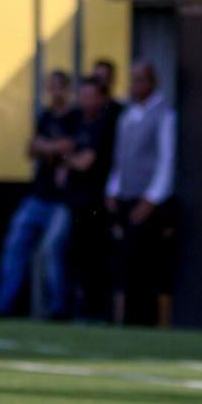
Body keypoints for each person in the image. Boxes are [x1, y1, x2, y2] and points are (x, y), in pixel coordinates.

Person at [0, 70, 78, 319]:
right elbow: (31, 148)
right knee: (15, 243)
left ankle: (57, 308)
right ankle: (2, 303)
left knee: (51, 250)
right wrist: (50, 149)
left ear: (67, 90)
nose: (54, 92)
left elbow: (67, 148)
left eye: (59, 87)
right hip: (38, 195)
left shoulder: (75, 118)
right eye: (51, 87)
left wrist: (47, 148)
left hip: (61, 201)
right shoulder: (45, 116)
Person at [104, 62, 177, 327]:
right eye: (133, 80)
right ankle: (128, 319)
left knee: (147, 262)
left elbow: (166, 159)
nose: (135, 86)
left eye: (140, 80)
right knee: (127, 261)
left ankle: (147, 320)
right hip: (126, 194)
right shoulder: (128, 114)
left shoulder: (164, 114)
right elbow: (120, 157)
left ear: (152, 82)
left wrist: (152, 199)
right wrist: (113, 188)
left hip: (147, 199)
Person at [66, 75, 119, 321]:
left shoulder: (106, 125)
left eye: (90, 96)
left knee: (96, 258)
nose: (84, 100)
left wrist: (64, 159)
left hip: (96, 202)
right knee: (77, 256)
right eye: (82, 95)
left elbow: (86, 162)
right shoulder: (77, 121)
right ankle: (80, 307)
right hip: (75, 201)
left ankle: (98, 311)